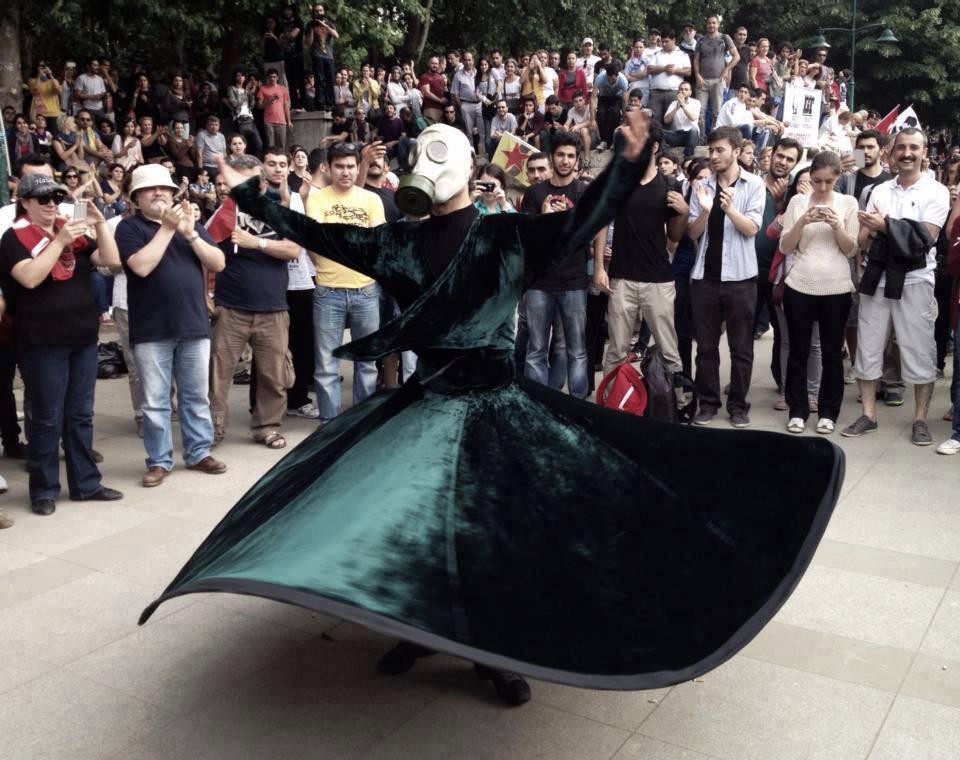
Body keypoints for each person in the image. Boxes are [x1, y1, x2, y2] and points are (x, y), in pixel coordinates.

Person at [141, 113, 845, 716]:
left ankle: (494, 653)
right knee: (417, 531)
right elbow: (315, 232)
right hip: (426, 407)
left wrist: (627, 166)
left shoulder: (509, 234)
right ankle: (420, 628)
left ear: (470, 165)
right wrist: (240, 192)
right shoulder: (401, 240)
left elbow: (583, 219)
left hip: (495, 411)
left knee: (494, 539)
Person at [0, 173, 124, 515]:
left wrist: (99, 225)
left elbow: (111, 261)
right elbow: (29, 276)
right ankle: (44, 490)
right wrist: (58, 240)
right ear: (24, 203)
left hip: (82, 336)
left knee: (80, 415)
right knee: (46, 417)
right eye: (44, 199)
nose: (52, 204)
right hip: (42, 340)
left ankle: (86, 483)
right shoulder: (14, 237)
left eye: (56, 197)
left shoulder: (73, 232)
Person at [115, 164, 227, 488]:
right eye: (150, 189)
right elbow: (141, 266)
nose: (159, 193)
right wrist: (167, 228)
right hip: (152, 329)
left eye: (164, 188)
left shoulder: (190, 225)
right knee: (155, 401)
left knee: (195, 396)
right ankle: (159, 460)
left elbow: (218, 262)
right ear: (136, 198)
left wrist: (190, 232)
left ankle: (198, 452)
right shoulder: (130, 228)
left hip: (193, 324)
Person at [843, 128, 950, 445]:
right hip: (877, 277)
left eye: (913, 147)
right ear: (891, 153)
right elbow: (862, 239)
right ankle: (868, 414)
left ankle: (920, 419)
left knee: (919, 351)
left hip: (915, 281)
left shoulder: (937, 192)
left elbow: (925, 238)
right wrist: (877, 230)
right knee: (869, 348)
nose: (906, 153)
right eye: (901, 147)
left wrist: (884, 226)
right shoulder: (880, 191)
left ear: (923, 152)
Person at [209, 153, 301, 449]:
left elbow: (292, 250)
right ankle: (213, 429)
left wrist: (256, 242)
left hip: (273, 308)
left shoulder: (279, 210)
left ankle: (267, 426)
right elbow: (201, 254)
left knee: (274, 375)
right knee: (218, 374)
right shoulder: (224, 212)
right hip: (231, 307)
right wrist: (205, 295)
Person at [596, 121, 688, 379]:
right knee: (616, 351)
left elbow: (675, 236)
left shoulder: (670, 185)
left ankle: (676, 405)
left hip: (658, 280)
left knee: (669, 350)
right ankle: (612, 405)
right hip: (621, 278)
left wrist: (684, 212)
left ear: (655, 146)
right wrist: (599, 269)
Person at [687, 126, 765, 428]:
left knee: (741, 348)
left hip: (741, 279)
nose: (714, 155)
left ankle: (738, 406)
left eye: (720, 150)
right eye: (711, 150)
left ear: (736, 151)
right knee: (705, 347)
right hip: (705, 278)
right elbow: (693, 233)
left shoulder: (753, 185)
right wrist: (706, 210)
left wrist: (730, 208)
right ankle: (707, 403)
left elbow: (752, 229)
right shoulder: (703, 185)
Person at [778, 151, 859, 434]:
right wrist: (803, 221)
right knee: (798, 351)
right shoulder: (798, 202)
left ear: (838, 178)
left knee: (832, 352)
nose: (822, 187)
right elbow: (785, 247)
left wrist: (837, 225)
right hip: (799, 284)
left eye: (828, 181)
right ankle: (797, 409)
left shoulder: (848, 203)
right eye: (816, 181)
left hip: (836, 286)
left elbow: (851, 249)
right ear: (809, 178)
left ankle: (828, 411)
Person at [304, 141, 385, 424]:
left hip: (365, 290)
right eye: (339, 166)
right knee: (327, 364)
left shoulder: (371, 200)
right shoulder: (316, 198)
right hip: (329, 292)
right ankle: (329, 423)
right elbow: (316, 242)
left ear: (358, 167)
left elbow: (376, 244)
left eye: (351, 166)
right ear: (328, 167)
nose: (346, 172)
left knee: (367, 362)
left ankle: (359, 422)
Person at [520, 132, 590, 398]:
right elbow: (526, 237)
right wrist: (545, 219)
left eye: (570, 155)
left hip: (573, 281)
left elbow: (588, 235)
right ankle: (539, 404)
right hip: (539, 282)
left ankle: (577, 407)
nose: (565, 160)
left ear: (577, 160)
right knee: (536, 349)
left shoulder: (584, 192)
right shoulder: (535, 192)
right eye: (560, 154)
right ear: (552, 157)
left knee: (576, 349)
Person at [694, 15, 738, 133]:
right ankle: (701, 138)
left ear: (718, 24)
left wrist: (726, 70)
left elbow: (736, 57)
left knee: (717, 112)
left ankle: (714, 138)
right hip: (702, 81)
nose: (711, 25)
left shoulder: (724, 38)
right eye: (709, 23)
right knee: (699, 112)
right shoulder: (701, 40)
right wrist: (697, 74)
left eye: (714, 23)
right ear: (706, 24)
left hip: (718, 80)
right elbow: (696, 59)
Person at [646, 29, 692, 125]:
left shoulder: (682, 54)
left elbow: (688, 71)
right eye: (662, 41)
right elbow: (649, 69)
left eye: (666, 41)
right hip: (656, 92)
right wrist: (664, 69)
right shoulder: (657, 54)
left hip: (674, 92)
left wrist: (675, 71)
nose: (664, 44)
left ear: (674, 40)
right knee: (653, 121)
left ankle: (670, 140)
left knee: (673, 121)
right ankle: (655, 140)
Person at [305, 3, 338, 111]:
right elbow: (308, 43)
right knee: (319, 80)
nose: (318, 13)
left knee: (330, 80)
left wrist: (325, 26)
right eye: (316, 11)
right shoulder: (310, 25)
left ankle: (331, 103)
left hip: (329, 56)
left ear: (324, 12)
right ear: (313, 13)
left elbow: (336, 36)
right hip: (317, 55)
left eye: (320, 10)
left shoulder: (329, 24)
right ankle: (321, 103)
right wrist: (311, 28)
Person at [257, 69, 293, 151]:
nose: (272, 79)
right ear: (268, 78)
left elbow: (286, 105)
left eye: (274, 77)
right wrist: (267, 101)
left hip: (281, 121)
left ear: (277, 77)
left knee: (281, 145)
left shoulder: (283, 89)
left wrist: (289, 121)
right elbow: (259, 106)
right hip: (268, 121)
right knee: (270, 145)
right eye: (270, 77)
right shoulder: (263, 89)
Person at [662, 81, 701, 157]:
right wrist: (676, 107)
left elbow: (693, 117)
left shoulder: (696, 102)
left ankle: (687, 158)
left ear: (690, 92)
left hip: (691, 135)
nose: (683, 91)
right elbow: (666, 120)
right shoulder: (673, 104)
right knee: (659, 132)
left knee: (693, 130)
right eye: (681, 89)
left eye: (686, 89)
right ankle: (665, 156)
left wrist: (682, 105)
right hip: (677, 135)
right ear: (678, 91)